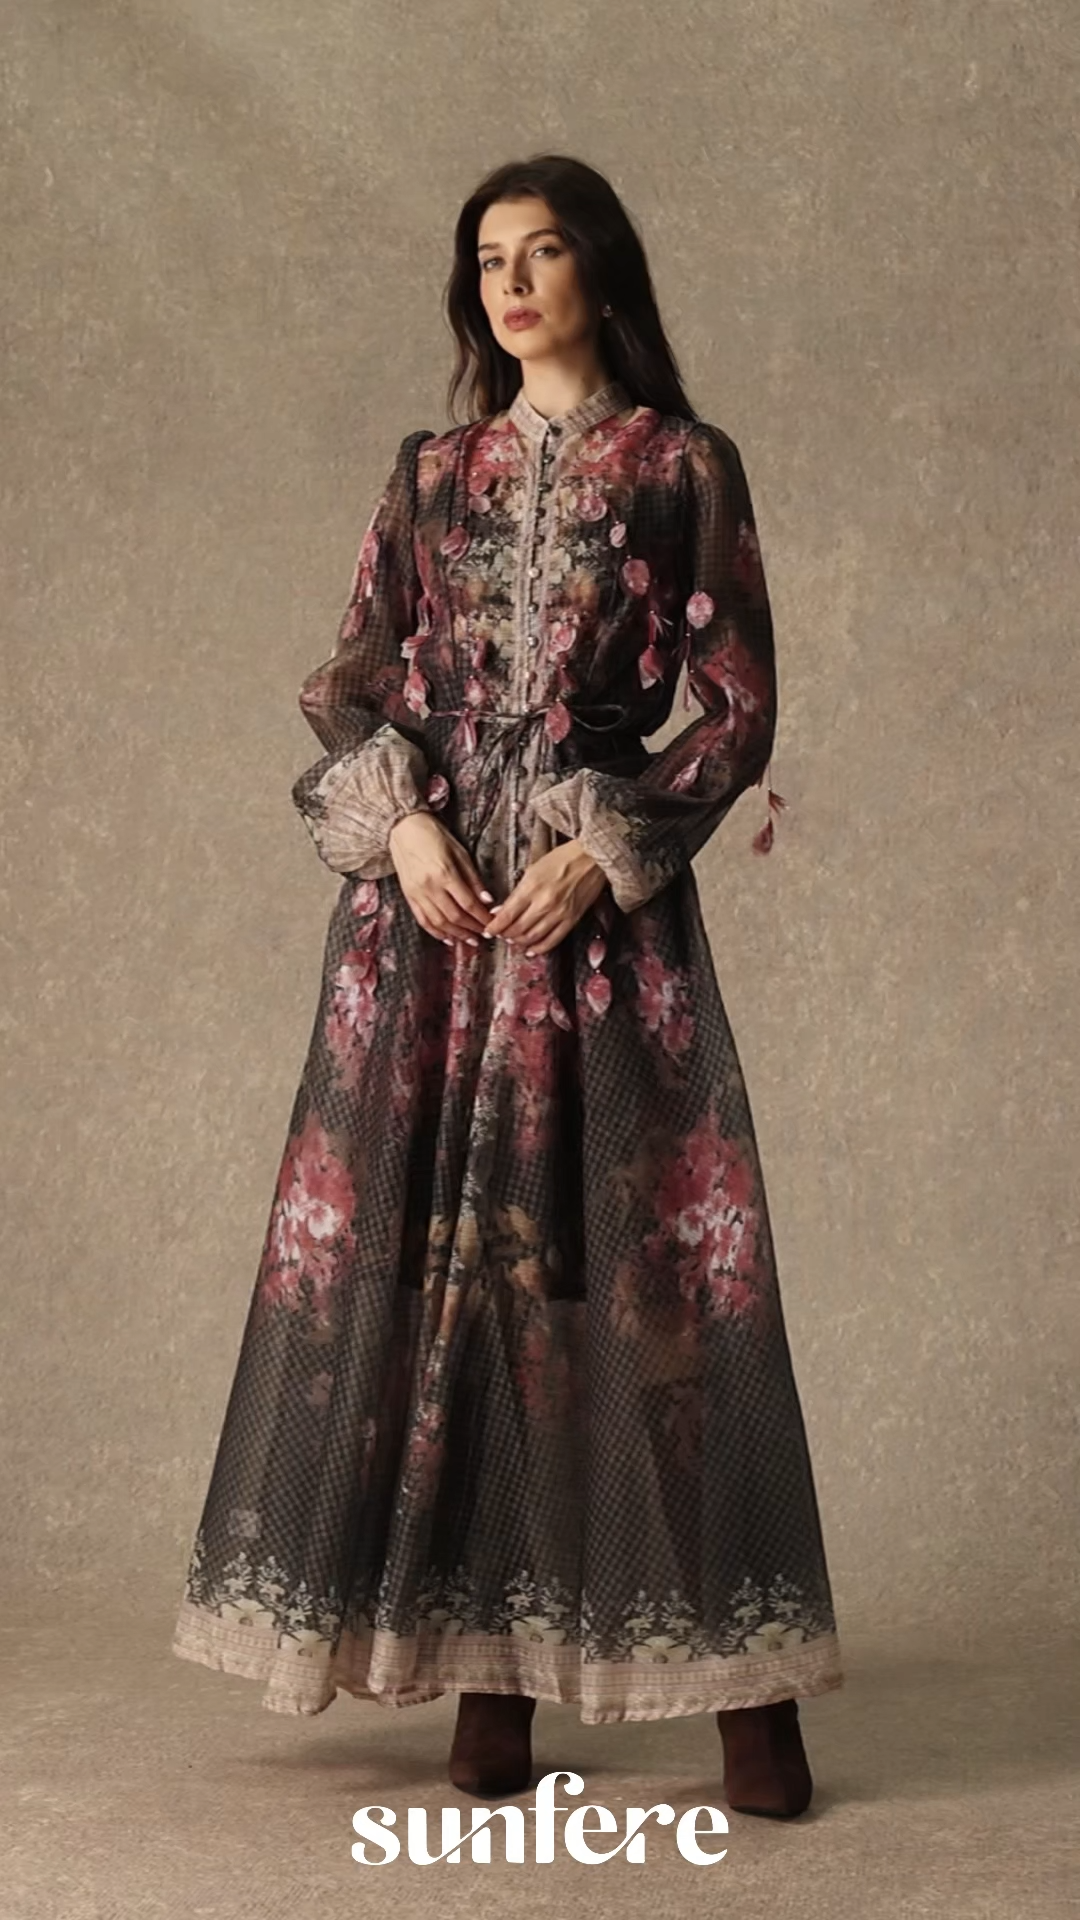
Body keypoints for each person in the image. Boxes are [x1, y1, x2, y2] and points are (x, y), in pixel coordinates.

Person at [172, 153, 844, 1818]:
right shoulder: (433, 474)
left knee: (649, 1289)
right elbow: (348, 682)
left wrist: (606, 850)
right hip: (435, 931)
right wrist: (403, 829)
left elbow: (737, 705)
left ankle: (747, 1696)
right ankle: (487, 1680)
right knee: (455, 1284)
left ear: (601, 272)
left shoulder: (684, 466)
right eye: (490, 259)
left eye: (545, 252)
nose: (516, 282)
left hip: (590, 935)